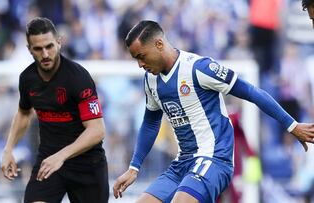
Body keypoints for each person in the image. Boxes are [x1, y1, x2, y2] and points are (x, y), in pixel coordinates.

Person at [113, 20, 314, 203]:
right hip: (183, 162)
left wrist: (292, 125)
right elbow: (150, 122)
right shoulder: (151, 80)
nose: (140, 64)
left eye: (141, 56)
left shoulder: (199, 68)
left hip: (214, 158)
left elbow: (251, 91)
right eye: (136, 59)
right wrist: (134, 167)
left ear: (158, 44)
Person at [1, 17, 109, 203]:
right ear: (29, 49)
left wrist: (61, 156)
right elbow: (24, 112)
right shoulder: (27, 79)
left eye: (49, 46)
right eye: (37, 49)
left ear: (59, 43)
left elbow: (97, 130)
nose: (44, 54)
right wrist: (8, 149)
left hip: (87, 166)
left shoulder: (78, 78)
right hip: (48, 162)